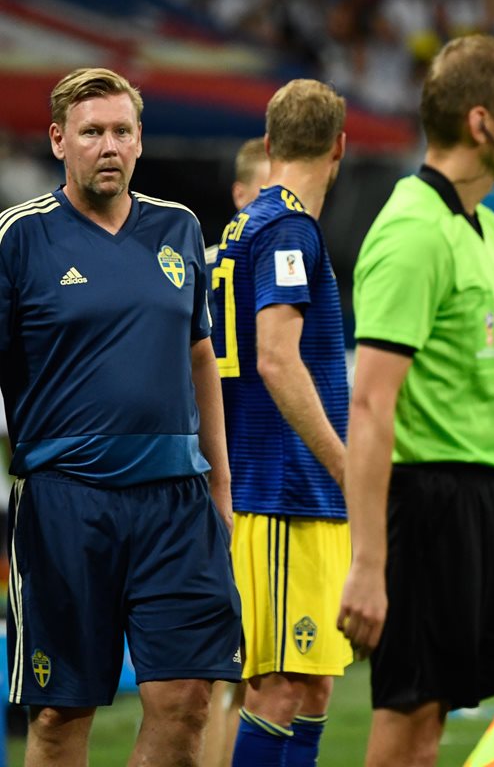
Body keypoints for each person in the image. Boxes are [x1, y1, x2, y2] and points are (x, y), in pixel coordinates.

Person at [335, 34, 494, 767]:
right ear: (481, 123)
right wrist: (366, 563)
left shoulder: (490, 228)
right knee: (413, 729)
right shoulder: (411, 231)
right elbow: (370, 407)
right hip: (427, 508)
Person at [0, 67, 242, 765]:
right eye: (92, 132)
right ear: (58, 140)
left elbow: (202, 358)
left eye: (121, 131)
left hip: (177, 506)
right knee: (57, 715)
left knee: (188, 700)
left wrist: (219, 489)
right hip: (66, 504)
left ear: (139, 142)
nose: (108, 145)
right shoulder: (19, 239)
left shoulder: (179, 228)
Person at [208, 80, 353, 767]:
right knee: (276, 688)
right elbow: (276, 359)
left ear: (268, 146)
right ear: (341, 148)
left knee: (314, 682)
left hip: (295, 490)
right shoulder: (289, 228)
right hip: (280, 488)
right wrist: (347, 464)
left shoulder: (245, 226)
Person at [201, 134, 270, 767]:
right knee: (239, 679)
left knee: (232, 677)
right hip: (244, 488)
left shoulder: (195, 263)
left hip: (219, 481)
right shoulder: (267, 263)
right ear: (238, 194)